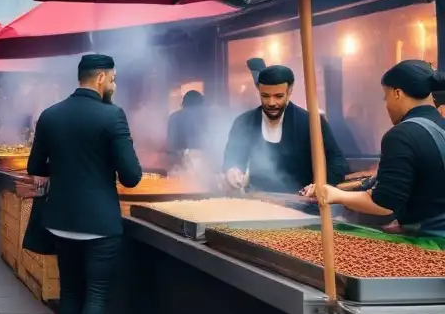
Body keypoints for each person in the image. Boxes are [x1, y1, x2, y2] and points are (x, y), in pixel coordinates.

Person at [27, 54, 142, 314]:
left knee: (70, 292)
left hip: (61, 221)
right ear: (103, 78)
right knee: (95, 295)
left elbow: (37, 166)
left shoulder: (51, 114)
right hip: (99, 223)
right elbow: (132, 177)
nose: (115, 86)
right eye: (114, 80)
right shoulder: (112, 115)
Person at [317, 60, 445, 236]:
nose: (386, 105)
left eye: (386, 96)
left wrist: (334, 195)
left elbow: (384, 204)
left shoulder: (401, 135)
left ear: (398, 93)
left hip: (432, 245)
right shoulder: (441, 126)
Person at [222, 65, 348, 194]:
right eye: (265, 96)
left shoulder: (311, 123)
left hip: (304, 204)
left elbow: (337, 162)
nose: (271, 102)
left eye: (278, 96)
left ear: (290, 92)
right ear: (258, 90)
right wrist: (233, 170)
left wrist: (320, 186)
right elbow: (233, 157)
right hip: (258, 203)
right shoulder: (244, 122)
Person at [166, 90, 207, 165]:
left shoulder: (174, 117)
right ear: (201, 103)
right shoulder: (208, 117)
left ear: (184, 103)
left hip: (178, 161)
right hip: (205, 162)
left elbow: (171, 144)